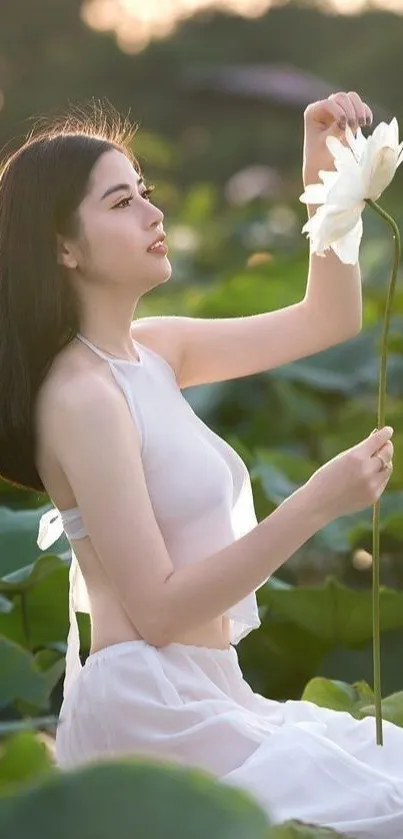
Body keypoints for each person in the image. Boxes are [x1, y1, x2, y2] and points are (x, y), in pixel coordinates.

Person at [0, 97, 402, 838]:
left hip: (213, 690)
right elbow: (155, 610)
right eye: (121, 202)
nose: (152, 214)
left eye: (145, 193)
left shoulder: (154, 349)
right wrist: (315, 503)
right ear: (64, 248)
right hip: (151, 712)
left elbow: (329, 319)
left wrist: (328, 177)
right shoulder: (80, 396)